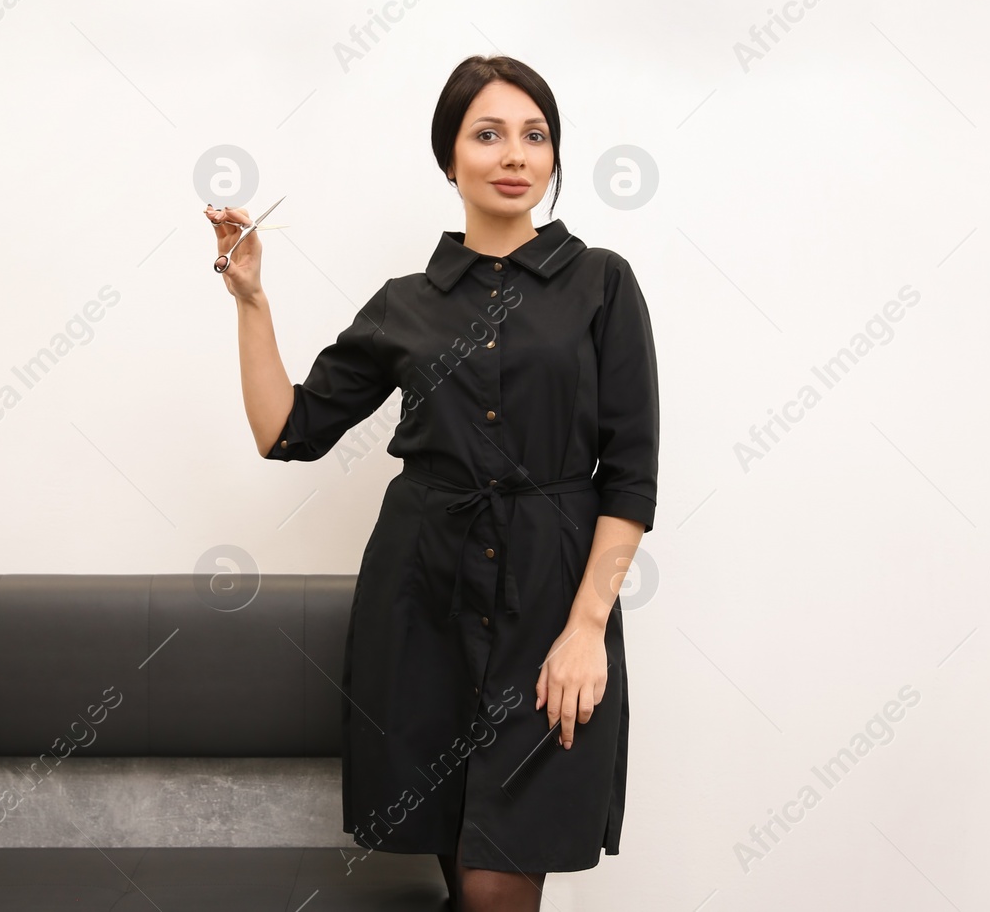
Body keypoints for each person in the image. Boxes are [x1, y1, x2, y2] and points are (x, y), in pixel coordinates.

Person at [207, 55, 659, 912]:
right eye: (487, 134)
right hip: (423, 607)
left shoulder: (602, 283)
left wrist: (586, 628)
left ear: (555, 159)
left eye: (535, 136)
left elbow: (631, 476)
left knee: (498, 881)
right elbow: (287, 430)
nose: (514, 153)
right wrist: (251, 300)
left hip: (553, 604)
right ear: (449, 158)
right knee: (458, 870)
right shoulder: (404, 304)